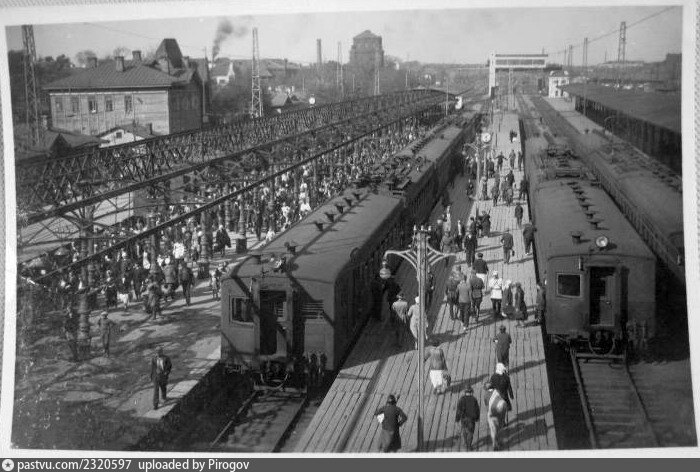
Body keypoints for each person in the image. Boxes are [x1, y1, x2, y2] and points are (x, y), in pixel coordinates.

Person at [455, 385, 480, 451]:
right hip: (471, 420)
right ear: (471, 392)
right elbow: (477, 410)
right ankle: (469, 446)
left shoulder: (462, 399)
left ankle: (465, 443)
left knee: (464, 431)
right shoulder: (474, 399)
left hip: (463, 419)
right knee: (470, 433)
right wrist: (477, 418)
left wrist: (457, 419)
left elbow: (458, 410)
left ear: (465, 392)